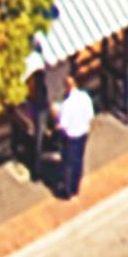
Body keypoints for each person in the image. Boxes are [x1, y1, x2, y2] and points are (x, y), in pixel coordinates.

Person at [50, 71, 95, 201]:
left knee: (68, 163)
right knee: (79, 160)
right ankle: (76, 187)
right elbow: (90, 115)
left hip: (71, 136)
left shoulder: (66, 105)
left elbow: (62, 124)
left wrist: (55, 118)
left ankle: (68, 191)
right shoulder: (85, 97)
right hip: (83, 132)